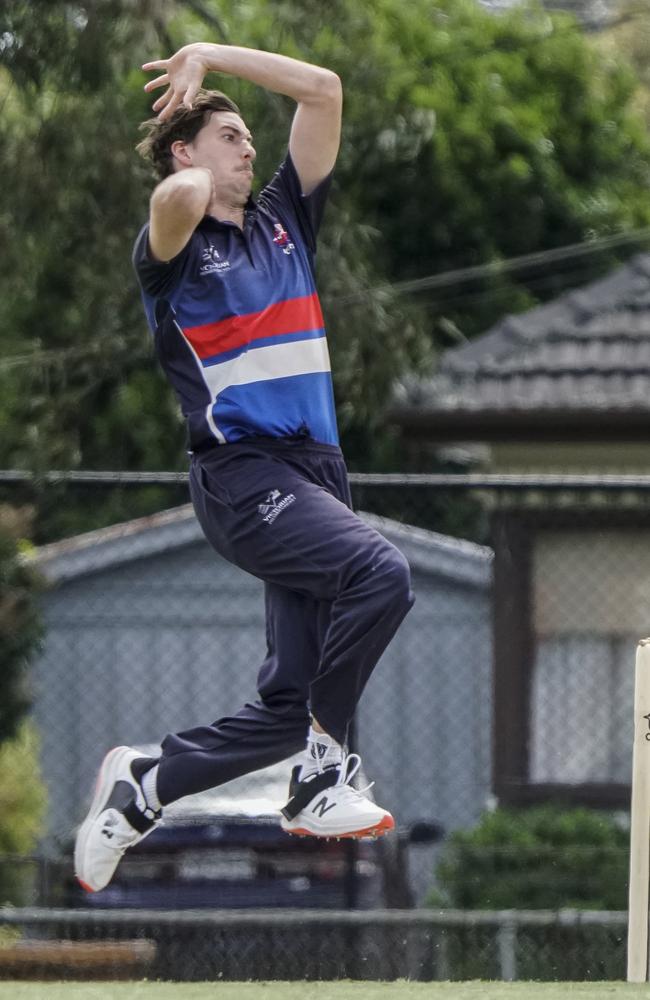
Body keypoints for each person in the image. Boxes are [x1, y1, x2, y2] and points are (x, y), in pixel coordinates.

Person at [74, 41, 414, 894]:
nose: (250, 145)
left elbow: (326, 88)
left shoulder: (284, 220)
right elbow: (174, 199)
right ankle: (320, 776)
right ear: (189, 149)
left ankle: (148, 782)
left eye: (249, 137)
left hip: (317, 472)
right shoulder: (173, 254)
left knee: (285, 711)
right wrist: (187, 147)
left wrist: (210, 56)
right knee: (382, 573)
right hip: (243, 476)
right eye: (231, 134)